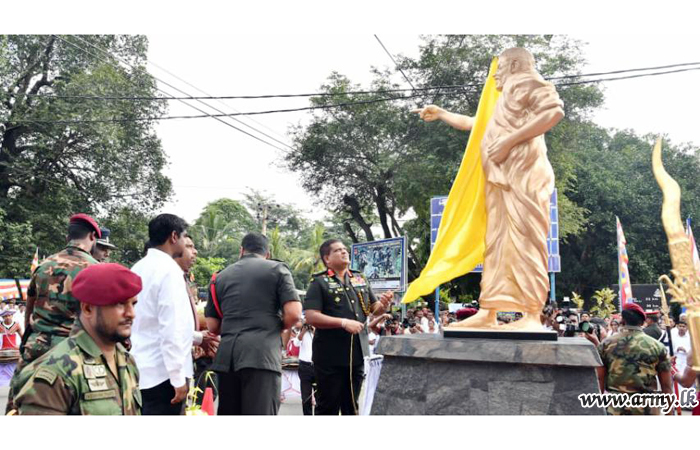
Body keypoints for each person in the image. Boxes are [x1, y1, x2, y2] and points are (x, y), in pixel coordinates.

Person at [414, 47, 564, 330]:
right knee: (496, 244)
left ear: (516, 64)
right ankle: (489, 310)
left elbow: (553, 112)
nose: (495, 74)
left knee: (526, 241)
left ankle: (531, 314)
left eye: (500, 67)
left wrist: (508, 142)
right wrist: (443, 113)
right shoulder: (504, 98)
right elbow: (475, 124)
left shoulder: (527, 81)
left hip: (524, 177)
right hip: (501, 181)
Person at [10, 263, 142, 415]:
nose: (131, 313)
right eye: (120, 304)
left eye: (133, 304)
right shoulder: (54, 373)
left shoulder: (126, 361)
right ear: (87, 308)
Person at [205, 232, 302, 415]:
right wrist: (274, 326)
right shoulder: (277, 269)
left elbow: (213, 326)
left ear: (241, 250)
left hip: (227, 358)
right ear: (267, 252)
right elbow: (295, 314)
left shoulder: (220, 277)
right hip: (262, 356)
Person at [304, 239, 393, 415]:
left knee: (351, 406)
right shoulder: (319, 282)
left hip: (357, 355)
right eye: (338, 250)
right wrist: (343, 322)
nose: (344, 252)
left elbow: (373, 309)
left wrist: (384, 304)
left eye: (345, 249)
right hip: (330, 356)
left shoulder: (359, 278)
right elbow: (311, 316)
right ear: (327, 259)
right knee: (327, 406)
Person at [16, 214, 100, 372]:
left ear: (68, 237)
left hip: (37, 349)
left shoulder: (44, 265)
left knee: (26, 395)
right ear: (92, 236)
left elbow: (30, 307)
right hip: (75, 353)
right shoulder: (95, 269)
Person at [130, 213, 195, 415]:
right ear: (174, 237)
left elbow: (146, 321)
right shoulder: (169, 270)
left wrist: (198, 338)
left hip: (138, 368)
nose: (186, 244)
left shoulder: (138, 267)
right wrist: (177, 378)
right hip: (163, 374)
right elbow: (171, 328)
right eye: (185, 238)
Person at [596, 303, 673, 415]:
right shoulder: (657, 346)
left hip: (616, 408)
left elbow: (599, 380)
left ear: (622, 321)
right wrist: (670, 414)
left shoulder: (606, 344)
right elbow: (666, 386)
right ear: (643, 322)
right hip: (647, 409)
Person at [173, 236, 219, 403]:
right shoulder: (169, 279)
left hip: (196, 353)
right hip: (184, 360)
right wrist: (200, 337)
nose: (195, 252)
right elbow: (171, 328)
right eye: (189, 247)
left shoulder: (180, 278)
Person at [294, 318, 315, 415]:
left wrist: (314, 330)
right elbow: (296, 343)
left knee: (320, 395)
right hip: (305, 367)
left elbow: (322, 342)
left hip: (317, 366)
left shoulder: (317, 332)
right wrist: (303, 332)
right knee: (306, 396)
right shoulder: (301, 333)